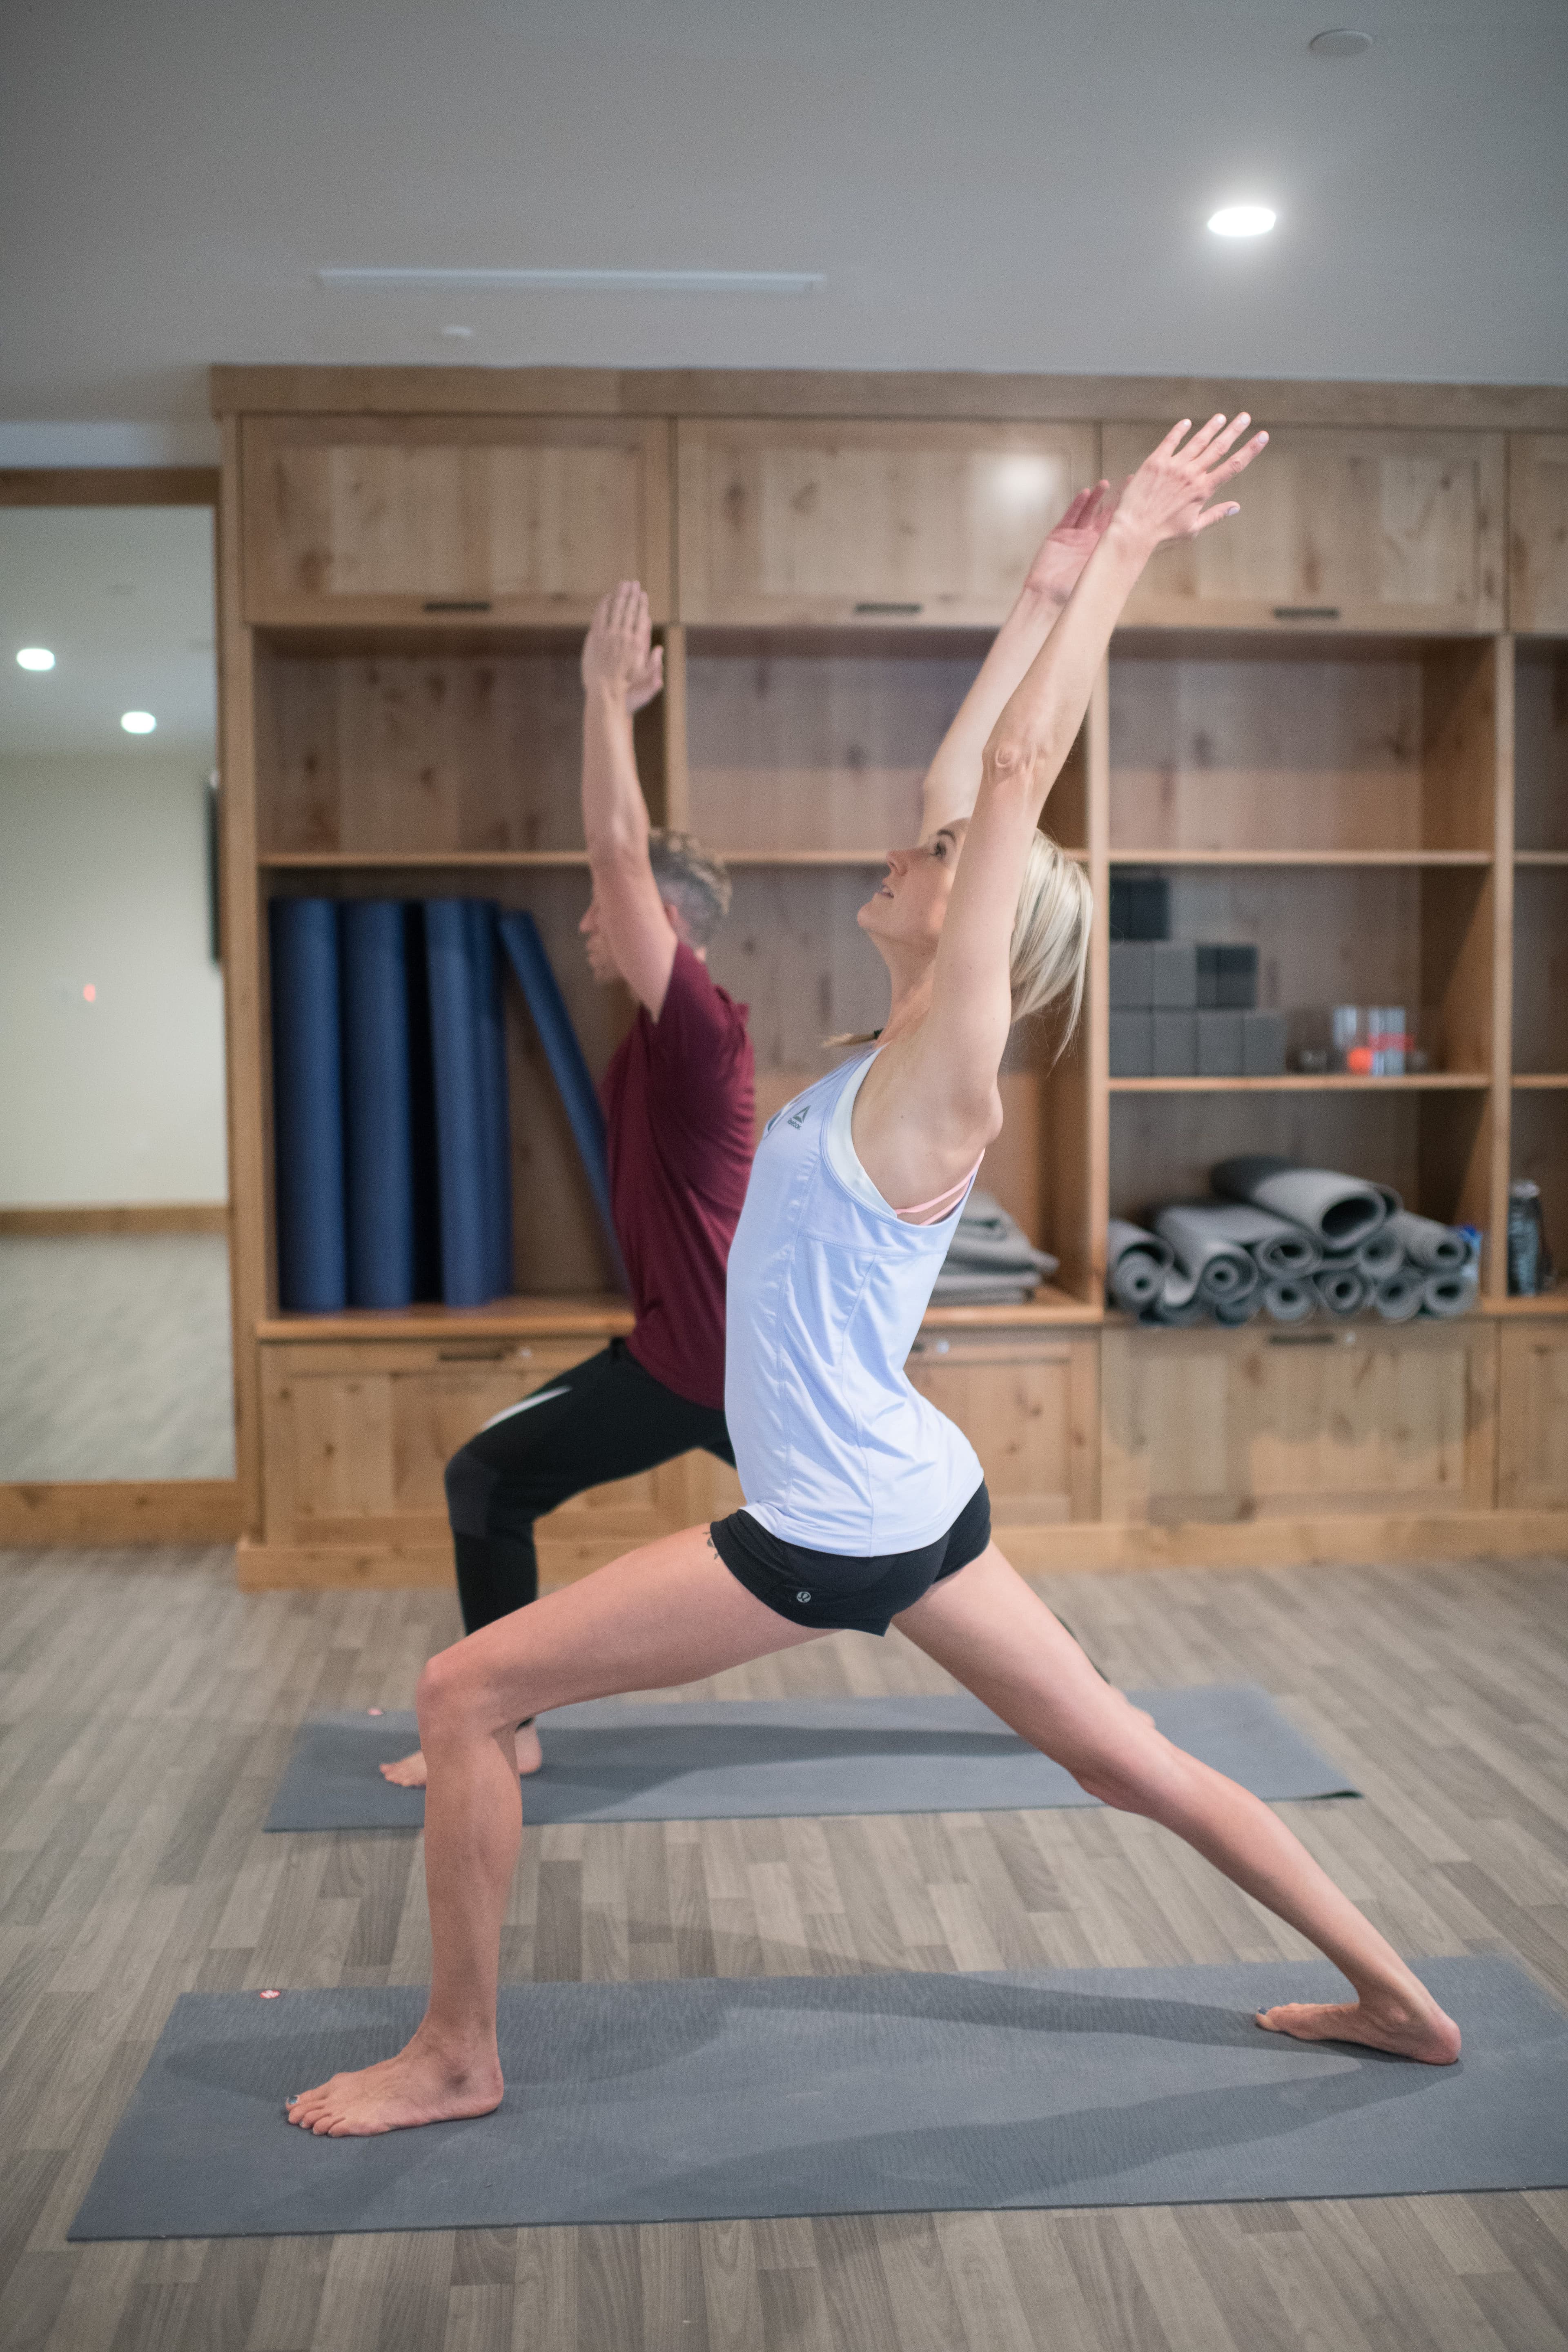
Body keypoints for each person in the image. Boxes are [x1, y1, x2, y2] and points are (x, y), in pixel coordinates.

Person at [292, 414, 1461, 2141]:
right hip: (918, 1489)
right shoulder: (893, 1044)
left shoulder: (947, 1073)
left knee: (467, 1691)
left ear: (970, 916)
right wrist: (1037, 586)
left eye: (930, 866)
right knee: (1119, 1756)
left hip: (832, 1524)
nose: (902, 854)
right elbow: (973, 771)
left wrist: (1130, 547)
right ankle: (1404, 2002)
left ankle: (458, 2055)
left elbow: (1015, 778)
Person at [382, 582, 754, 1787]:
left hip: (701, 1355)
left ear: (670, 918)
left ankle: (501, 1722)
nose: (590, 921)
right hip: (722, 1351)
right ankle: (1078, 1692)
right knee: (907, 1539)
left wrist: (605, 699)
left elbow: (618, 850)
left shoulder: (697, 1021)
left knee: (486, 1479)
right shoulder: (659, 1038)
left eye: (613, 908)